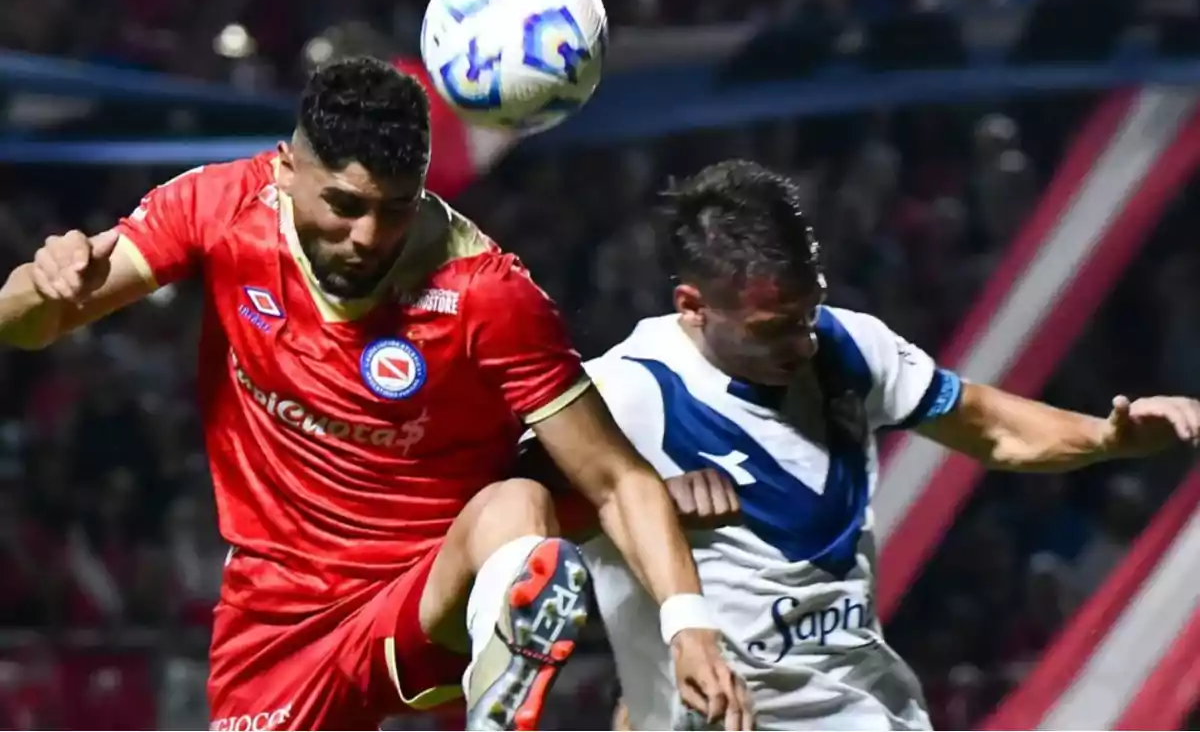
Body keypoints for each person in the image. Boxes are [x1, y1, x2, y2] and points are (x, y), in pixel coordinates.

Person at [0, 57, 752, 732]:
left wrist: (690, 627)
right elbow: (25, 326)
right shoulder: (219, 210)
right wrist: (44, 283)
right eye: (345, 205)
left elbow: (615, 476)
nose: (367, 235)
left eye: (395, 208)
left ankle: (499, 690)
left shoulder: (488, 295)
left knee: (516, 509)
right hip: (276, 615)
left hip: (427, 593)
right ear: (286, 169)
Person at [564, 159, 1200, 729]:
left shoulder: (851, 347)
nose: (804, 342)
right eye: (773, 330)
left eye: (810, 312)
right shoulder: (621, 392)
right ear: (693, 306)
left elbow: (990, 426)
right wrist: (646, 499)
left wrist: (1105, 436)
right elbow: (510, 516)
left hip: (865, 709)